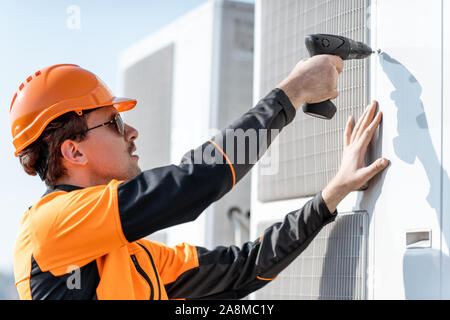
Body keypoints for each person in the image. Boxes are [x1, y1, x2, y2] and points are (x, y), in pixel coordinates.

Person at [11, 56, 388, 300]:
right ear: (73, 152)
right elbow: (195, 181)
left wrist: (332, 194)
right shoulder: (48, 228)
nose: (131, 133)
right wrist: (291, 93)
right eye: (115, 122)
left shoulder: (136, 258)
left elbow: (245, 268)